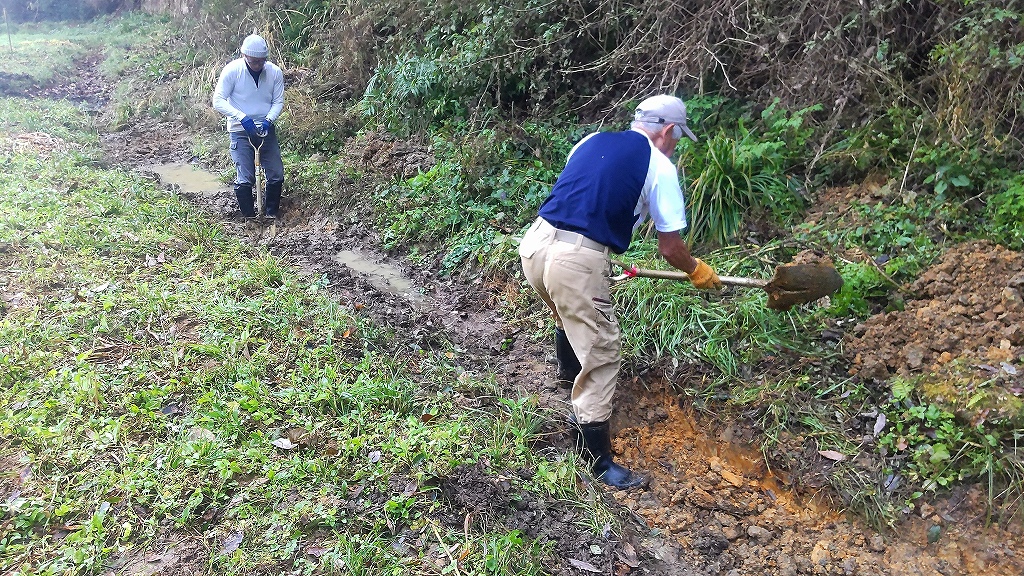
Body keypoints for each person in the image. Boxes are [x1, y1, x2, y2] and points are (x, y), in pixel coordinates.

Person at [519, 95, 722, 489]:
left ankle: (568, 380)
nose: (676, 146)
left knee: (567, 314)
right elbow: (670, 247)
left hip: (535, 245)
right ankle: (595, 459)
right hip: (576, 259)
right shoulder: (659, 165)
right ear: (668, 131)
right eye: (678, 138)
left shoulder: (591, 141)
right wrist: (696, 269)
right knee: (603, 351)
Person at [212, 33, 286, 218]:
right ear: (244, 56)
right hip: (240, 130)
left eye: (261, 61)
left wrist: (269, 120)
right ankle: (249, 218)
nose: (258, 65)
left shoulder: (274, 72)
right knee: (246, 177)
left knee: (276, 173)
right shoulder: (232, 71)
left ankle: (271, 215)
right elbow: (218, 100)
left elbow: (278, 101)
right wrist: (242, 118)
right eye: (254, 62)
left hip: (265, 130)